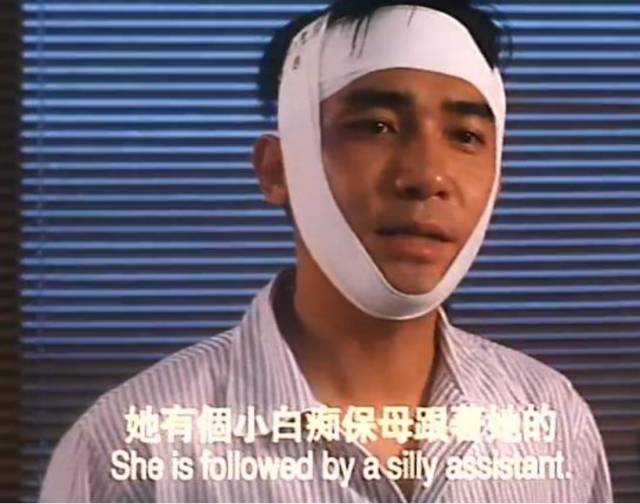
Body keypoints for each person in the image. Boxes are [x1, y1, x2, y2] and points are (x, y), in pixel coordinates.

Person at [39, 1, 613, 502]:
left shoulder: (550, 419)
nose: (428, 177)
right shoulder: (134, 447)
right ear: (277, 170)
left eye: (465, 136)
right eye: (377, 126)